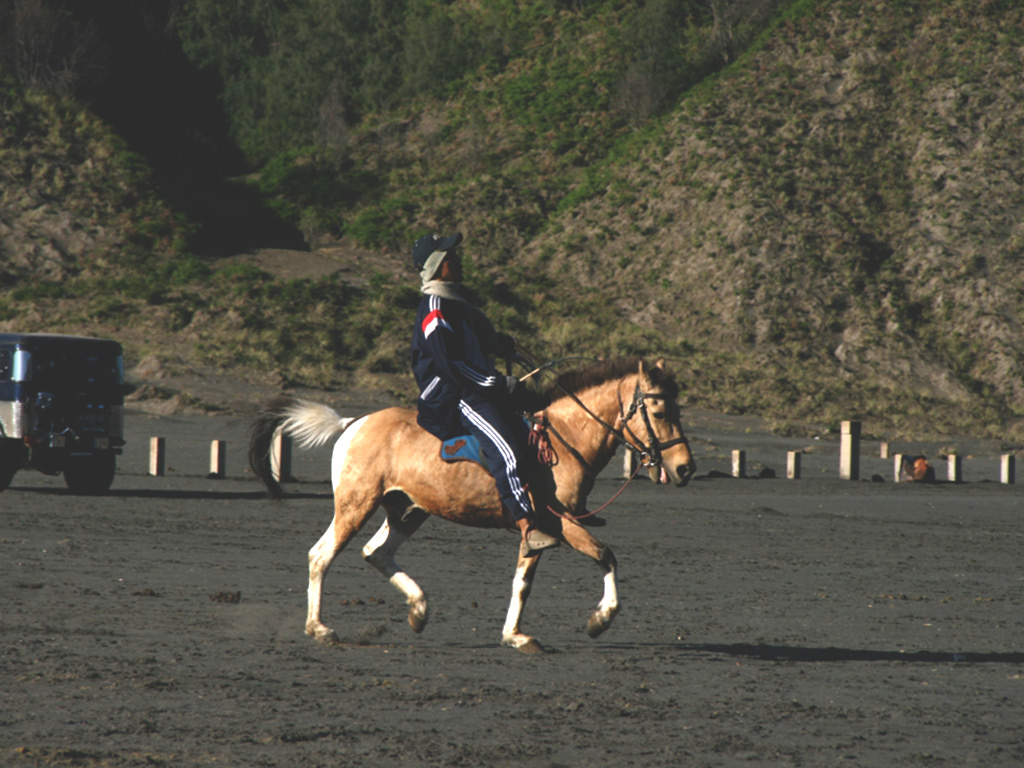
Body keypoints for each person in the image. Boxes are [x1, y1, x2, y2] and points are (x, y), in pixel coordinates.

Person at [410, 232, 558, 551]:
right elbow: (451, 364)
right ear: (438, 266)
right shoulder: (435, 308)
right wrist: (496, 384)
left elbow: (476, 342)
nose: (459, 261)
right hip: (455, 394)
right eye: (452, 257)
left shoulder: (457, 303)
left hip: (477, 385)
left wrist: (503, 345)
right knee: (508, 448)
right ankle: (527, 527)